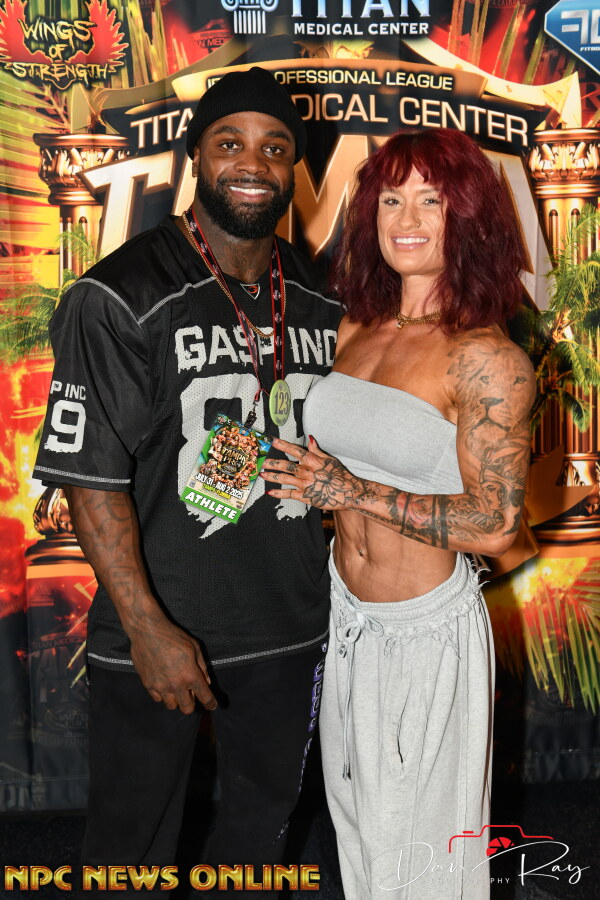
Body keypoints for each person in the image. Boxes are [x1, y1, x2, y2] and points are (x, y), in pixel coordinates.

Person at [33, 67, 340, 891]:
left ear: (293, 167)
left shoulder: (319, 293)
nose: (253, 163)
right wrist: (147, 628)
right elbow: (90, 481)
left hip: (289, 627)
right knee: (128, 849)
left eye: (275, 147)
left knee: (258, 835)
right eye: (229, 142)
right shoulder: (119, 294)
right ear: (195, 158)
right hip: (162, 629)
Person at [261, 128, 536, 899]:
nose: (406, 219)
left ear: (467, 217)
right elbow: (339, 460)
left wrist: (350, 492)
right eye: (390, 199)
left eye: (430, 201)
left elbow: (496, 525)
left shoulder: (487, 359)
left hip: (426, 634)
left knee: (423, 859)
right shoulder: (356, 326)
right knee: (358, 832)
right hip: (347, 619)